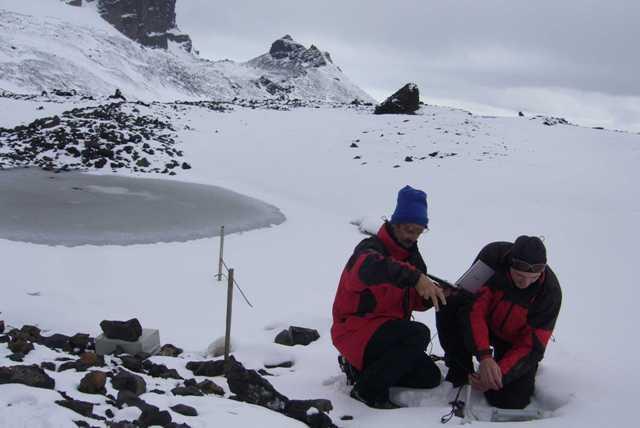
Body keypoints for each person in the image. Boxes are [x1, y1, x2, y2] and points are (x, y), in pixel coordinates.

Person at [331, 185, 448, 409]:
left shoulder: (412, 258)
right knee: (418, 334)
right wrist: (415, 277)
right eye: (409, 230)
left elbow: (412, 299)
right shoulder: (370, 250)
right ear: (395, 224)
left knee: (429, 377)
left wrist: (434, 295)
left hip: (386, 334)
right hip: (354, 331)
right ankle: (367, 391)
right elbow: (371, 269)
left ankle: (362, 370)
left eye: (419, 231)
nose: (413, 237)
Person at [436, 236, 562, 409]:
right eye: (519, 276)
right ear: (510, 264)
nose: (525, 283)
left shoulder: (550, 293)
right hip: (484, 325)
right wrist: (484, 355)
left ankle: (487, 378)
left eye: (532, 278)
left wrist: (498, 374)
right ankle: (460, 368)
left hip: (513, 341)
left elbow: (532, 345)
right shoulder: (492, 257)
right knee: (450, 302)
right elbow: (473, 308)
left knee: (510, 401)